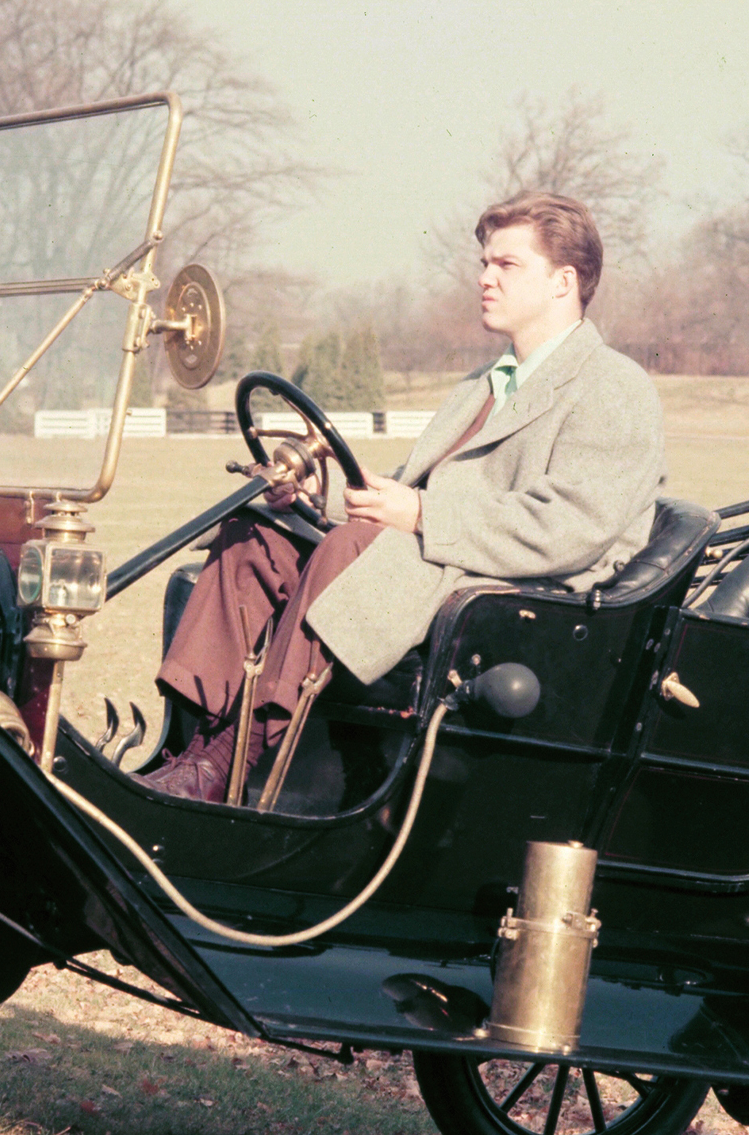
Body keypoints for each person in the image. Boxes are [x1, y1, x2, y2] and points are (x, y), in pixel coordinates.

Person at [141, 190, 666, 803]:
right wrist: (319, 495)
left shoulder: (612, 385)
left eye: (506, 265)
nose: (484, 278)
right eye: (484, 263)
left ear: (564, 282)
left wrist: (419, 515)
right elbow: (406, 490)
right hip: (448, 559)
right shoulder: (485, 384)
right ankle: (192, 747)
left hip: (528, 599)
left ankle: (235, 758)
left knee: (360, 547)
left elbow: (571, 529)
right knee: (254, 536)